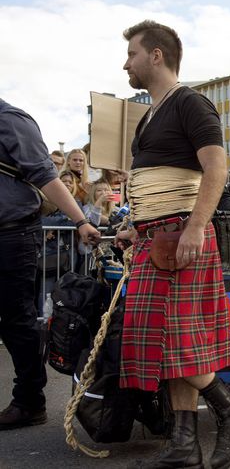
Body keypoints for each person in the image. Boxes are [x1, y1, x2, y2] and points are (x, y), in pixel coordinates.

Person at [115, 20, 230, 468]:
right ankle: (183, 443)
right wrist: (135, 225)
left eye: (132, 54)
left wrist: (196, 227)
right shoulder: (150, 116)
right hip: (155, 238)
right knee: (174, 347)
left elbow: (217, 167)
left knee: (174, 342)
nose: (126, 64)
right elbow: (154, 180)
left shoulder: (191, 103)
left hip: (181, 235)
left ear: (156, 55)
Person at [0, 98, 100, 430]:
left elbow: (47, 177)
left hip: (13, 234)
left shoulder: (11, 119)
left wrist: (80, 221)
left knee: (17, 319)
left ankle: (29, 400)